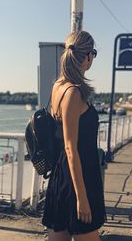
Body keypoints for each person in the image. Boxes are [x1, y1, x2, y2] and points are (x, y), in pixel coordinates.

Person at [42, 31, 106, 241]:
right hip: (78, 176)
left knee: (58, 235)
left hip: (63, 174)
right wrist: (82, 198)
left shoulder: (58, 86)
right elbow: (72, 148)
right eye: (93, 54)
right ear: (88, 56)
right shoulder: (74, 93)